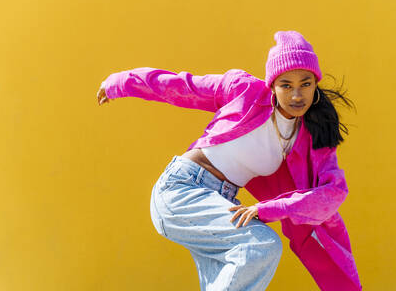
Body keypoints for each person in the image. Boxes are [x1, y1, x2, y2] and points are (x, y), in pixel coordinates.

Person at [97, 31, 362, 291]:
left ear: (316, 84)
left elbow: (332, 193)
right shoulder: (244, 91)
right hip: (182, 189)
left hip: (223, 203)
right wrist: (122, 83)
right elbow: (183, 86)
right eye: (286, 85)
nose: (296, 95)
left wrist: (270, 209)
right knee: (261, 246)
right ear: (272, 85)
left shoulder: (313, 137)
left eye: (305, 84)